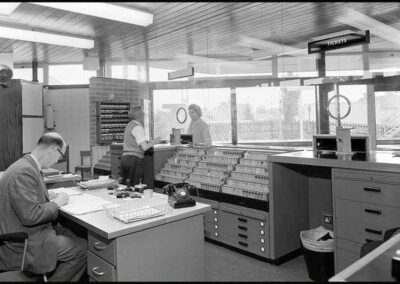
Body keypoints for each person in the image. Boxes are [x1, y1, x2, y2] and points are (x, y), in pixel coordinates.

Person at [0, 132, 87, 281]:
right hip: (25, 242)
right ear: (53, 149)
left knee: (76, 234)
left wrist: (45, 197)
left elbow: (25, 199)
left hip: (25, 231)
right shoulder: (25, 171)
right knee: (83, 249)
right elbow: (31, 216)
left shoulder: (25, 164)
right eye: (60, 157)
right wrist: (57, 202)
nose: (57, 161)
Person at [121, 106, 162, 186]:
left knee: (126, 185)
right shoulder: (138, 127)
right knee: (135, 186)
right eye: (143, 115)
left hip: (125, 159)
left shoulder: (129, 125)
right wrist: (155, 141)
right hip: (134, 160)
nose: (144, 118)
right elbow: (144, 147)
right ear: (140, 116)